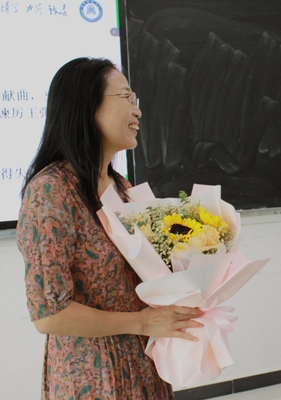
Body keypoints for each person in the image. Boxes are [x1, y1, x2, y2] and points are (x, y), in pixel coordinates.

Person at [16, 57, 203, 399]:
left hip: (144, 364)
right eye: (126, 98)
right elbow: (49, 315)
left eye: (135, 99)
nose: (138, 111)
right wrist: (142, 322)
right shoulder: (51, 191)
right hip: (92, 376)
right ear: (88, 107)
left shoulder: (120, 186)